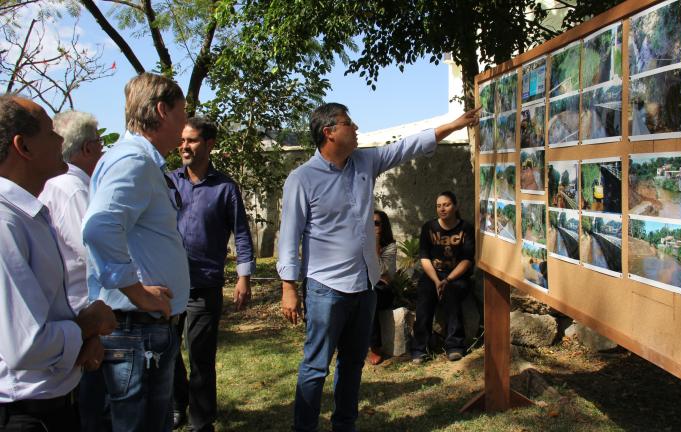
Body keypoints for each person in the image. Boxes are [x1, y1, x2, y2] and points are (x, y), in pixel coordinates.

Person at [277, 102, 480, 432]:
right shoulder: (302, 179)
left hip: (364, 286)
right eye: (348, 123)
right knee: (315, 367)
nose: (356, 127)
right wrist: (288, 286)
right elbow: (289, 234)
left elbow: (405, 147)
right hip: (325, 288)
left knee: (353, 363)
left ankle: (345, 425)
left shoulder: (363, 163)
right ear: (329, 132)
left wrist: (455, 125)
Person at [0, 95, 116, 432]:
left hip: (53, 403)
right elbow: (27, 345)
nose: (61, 141)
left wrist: (84, 334)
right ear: (23, 146)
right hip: (24, 411)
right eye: (51, 133)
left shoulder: (29, 214)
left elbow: (49, 308)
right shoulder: (6, 223)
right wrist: (87, 326)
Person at [82, 73, 190, 432]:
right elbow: (99, 228)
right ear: (161, 110)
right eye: (182, 114)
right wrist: (138, 293)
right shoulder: (134, 161)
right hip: (135, 330)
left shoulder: (138, 161)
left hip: (143, 330)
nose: (185, 125)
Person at [170, 116, 256, 431]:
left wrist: (243, 276)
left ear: (209, 144)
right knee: (169, 353)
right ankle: (178, 404)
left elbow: (242, 235)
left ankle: (201, 420)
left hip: (203, 285)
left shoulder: (225, 188)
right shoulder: (168, 182)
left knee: (201, 358)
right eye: (182, 140)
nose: (184, 146)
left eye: (191, 140)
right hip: (166, 286)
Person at [37, 110, 111, 432]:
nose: (103, 148)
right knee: (95, 409)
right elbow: (94, 251)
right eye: (99, 141)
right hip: (84, 312)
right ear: (86, 149)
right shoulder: (73, 189)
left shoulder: (65, 185)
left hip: (76, 319)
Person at [411, 191, 475, 364]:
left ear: (455, 206)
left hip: (457, 276)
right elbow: (424, 258)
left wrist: (448, 280)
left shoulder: (466, 228)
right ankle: (419, 348)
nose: (442, 209)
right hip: (433, 275)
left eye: (446, 204)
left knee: (451, 294)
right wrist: (437, 281)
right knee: (424, 298)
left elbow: (467, 260)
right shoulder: (429, 228)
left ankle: (455, 346)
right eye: (439, 206)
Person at [367, 210, 397, 366]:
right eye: (369, 222)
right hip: (367, 284)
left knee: (370, 297)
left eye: (376, 223)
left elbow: (380, 271)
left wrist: (376, 243)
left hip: (383, 291)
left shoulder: (390, 247)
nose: (372, 226)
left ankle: (375, 346)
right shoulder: (361, 242)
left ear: (383, 226)